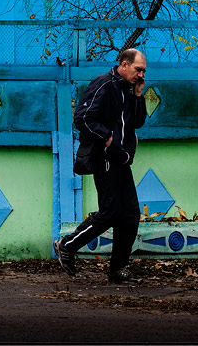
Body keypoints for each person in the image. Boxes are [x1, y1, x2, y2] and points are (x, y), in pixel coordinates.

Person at [53, 48, 147, 284]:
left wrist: (138, 94)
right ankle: (67, 245)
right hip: (105, 158)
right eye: (138, 70)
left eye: (144, 71)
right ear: (124, 64)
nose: (141, 75)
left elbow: (138, 122)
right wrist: (108, 140)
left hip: (122, 159)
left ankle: (118, 269)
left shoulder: (128, 89)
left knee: (130, 214)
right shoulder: (104, 84)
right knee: (111, 211)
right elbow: (82, 118)